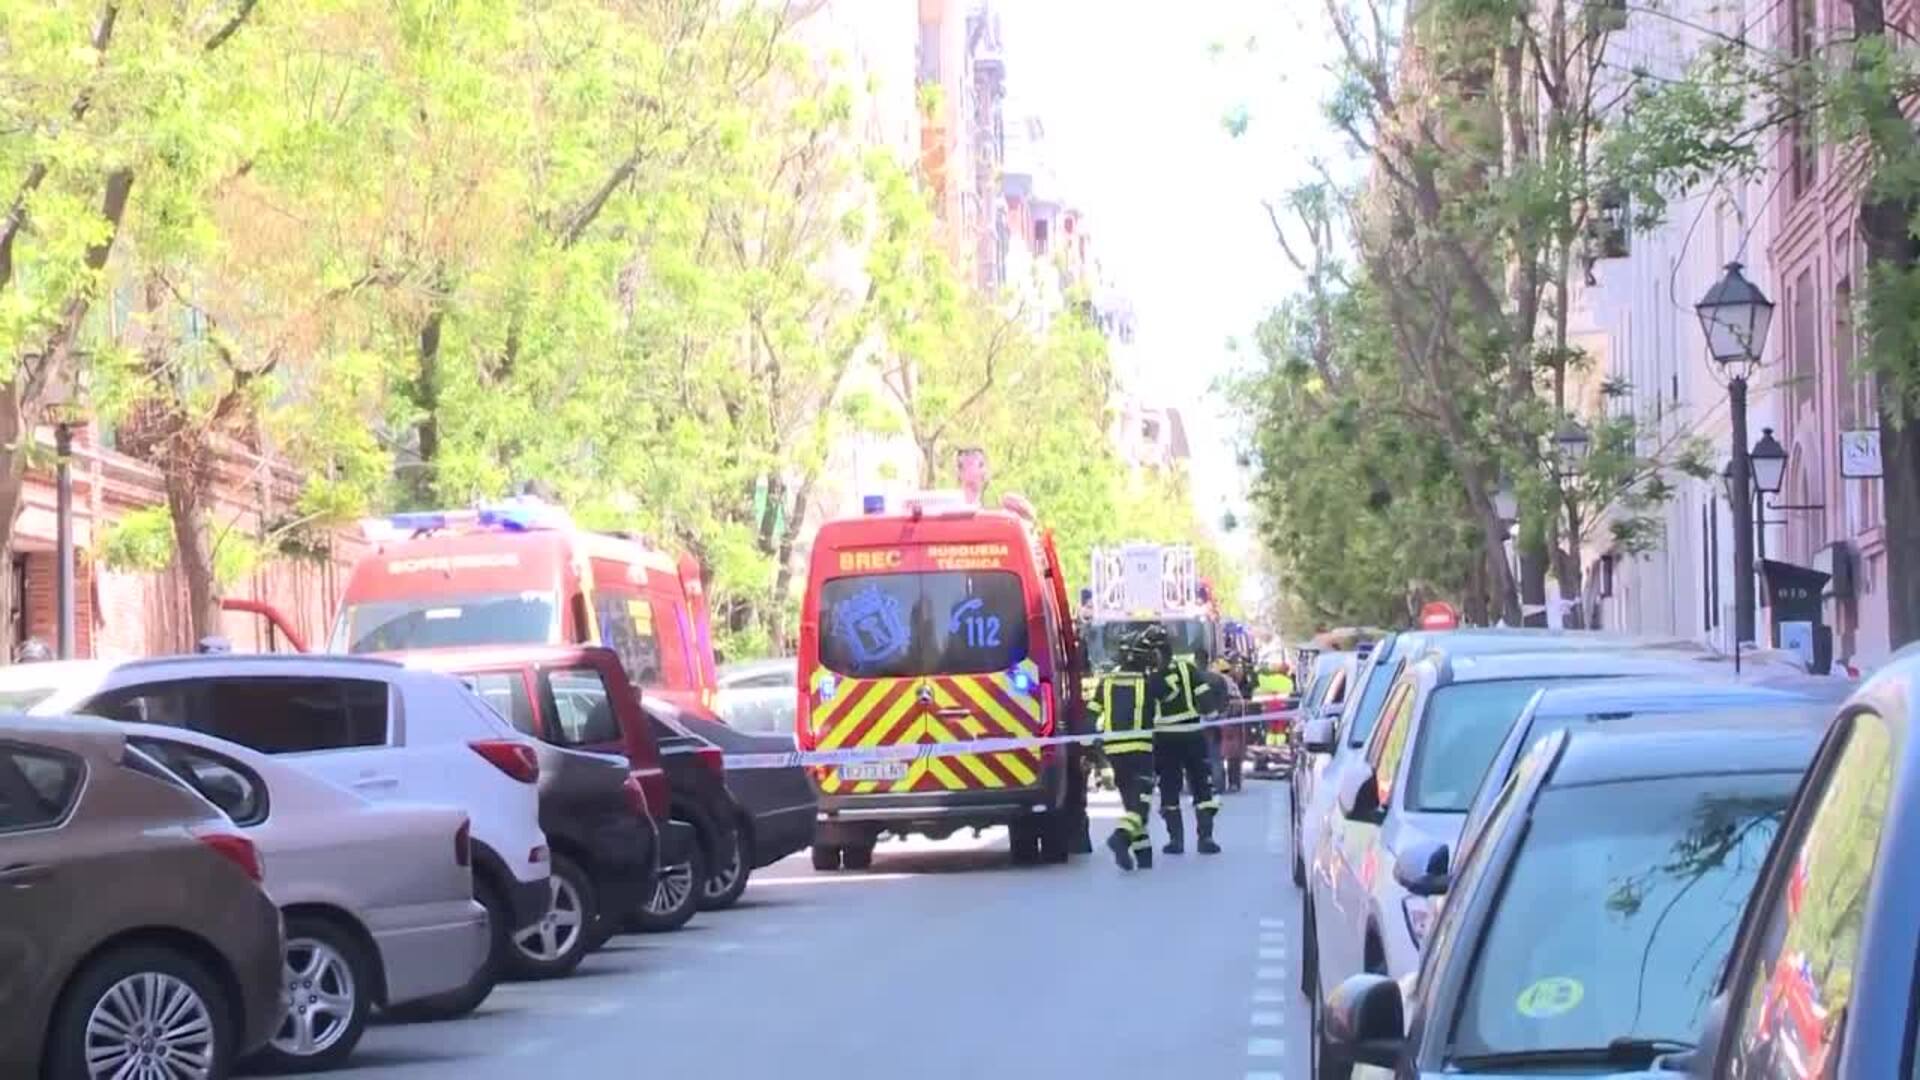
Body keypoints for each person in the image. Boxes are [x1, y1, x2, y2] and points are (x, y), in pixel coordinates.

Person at [1143, 624, 1221, 855]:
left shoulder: (1150, 679)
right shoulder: (1188, 670)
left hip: (1165, 741)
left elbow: (1145, 713)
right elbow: (1206, 702)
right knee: (1201, 786)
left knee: (1169, 789)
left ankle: (1175, 841)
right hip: (1193, 737)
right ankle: (1206, 838)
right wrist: (1212, 717)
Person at [1088, 629, 1160, 870]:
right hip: (1141, 750)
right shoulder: (1149, 682)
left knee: (1132, 805)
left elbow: (1091, 713)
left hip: (1114, 753)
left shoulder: (1106, 681)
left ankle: (1144, 855)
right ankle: (1119, 839)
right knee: (1141, 806)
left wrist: (1090, 751)